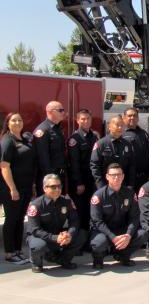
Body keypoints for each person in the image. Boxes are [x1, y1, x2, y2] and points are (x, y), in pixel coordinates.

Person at [90, 163, 148, 268]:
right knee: (99, 243)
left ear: (123, 176)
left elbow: (134, 217)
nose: (116, 177)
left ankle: (123, 256)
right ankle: (98, 259)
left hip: (122, 230)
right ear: (107, 177)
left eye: (118, 175)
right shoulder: (98, 196)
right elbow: (97, 221)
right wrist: (113, 237)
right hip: (104, 232)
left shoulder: (130, 193)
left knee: (143, 234)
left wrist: (128, 235)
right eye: (113, 175)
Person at [26, 174, 87, 273]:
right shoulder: (35, 205)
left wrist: (69, 234)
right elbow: (35, 230)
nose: (57, 189)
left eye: (59, 186)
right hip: (39, 236)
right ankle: (36, 262)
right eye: (53, 187)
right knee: (38, 246)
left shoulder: (66, 201)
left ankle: (64, 259)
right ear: (44, 188)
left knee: (82, 235)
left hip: (58, 234)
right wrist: (55, 238)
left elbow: (74, 221)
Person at [0, 113, 35, 264]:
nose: (17, 122)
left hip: (26, 187)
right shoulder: (8, 141)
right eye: (14, 120)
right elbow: (4, 167)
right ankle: (9, 253)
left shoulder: (25, 139)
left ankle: (18, 251)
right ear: (8, 123)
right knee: (11, 219)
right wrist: (12, 189)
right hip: (13, 188)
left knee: (20, 219)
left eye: (20, 120)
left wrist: (32, 184)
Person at [67, 109, 99, 230]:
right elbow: (74, 163)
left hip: (92, 180)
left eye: (88, 118)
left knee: (91, 210)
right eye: (83, 119)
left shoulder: (94, 137)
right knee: (80, 211)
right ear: (77, 121)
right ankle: (78, 239)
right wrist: (79, 183)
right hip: (80, 181)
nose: (86, 121)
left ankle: (89, 237)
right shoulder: (74, 139)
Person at [90, 115, 136, 190]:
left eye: (122, 125)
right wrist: (101, 186)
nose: (120, 128)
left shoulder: (127, 145)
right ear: (109, 126)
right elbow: (94, 166)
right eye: (117, 125)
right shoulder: (101, 144)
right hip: (104, 186)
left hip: (122, 187)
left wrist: (130, 185)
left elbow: (131, 166)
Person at [33, 101, 67, 193]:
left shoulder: (58, 128)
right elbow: (43, 158)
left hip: (59, 175)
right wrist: (51, 179)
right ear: (50, 112)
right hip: (49, 178)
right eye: (60, 110)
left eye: (63, 110)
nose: (63, 113)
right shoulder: (42, 130)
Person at [123, 107, 149, 191]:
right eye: (129, 116)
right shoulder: (121, 133)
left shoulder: (144, 133)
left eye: (134, 115)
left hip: (144, 178)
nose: (132, 118)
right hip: (127, 179)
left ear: (138, 118)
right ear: (124, 118)